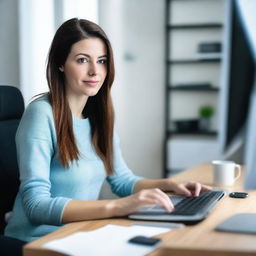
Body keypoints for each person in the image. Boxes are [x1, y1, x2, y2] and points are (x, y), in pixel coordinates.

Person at [5, 18, 211, 242]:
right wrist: (118, 206)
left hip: (79, 235)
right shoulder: (41, 114)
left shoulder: (99, 115)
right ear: (60, 64)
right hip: (37, 242)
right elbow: (36, 206)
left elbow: (122, 180)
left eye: (101, 61)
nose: (95, 71)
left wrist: (169, 185)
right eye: (82, 60)